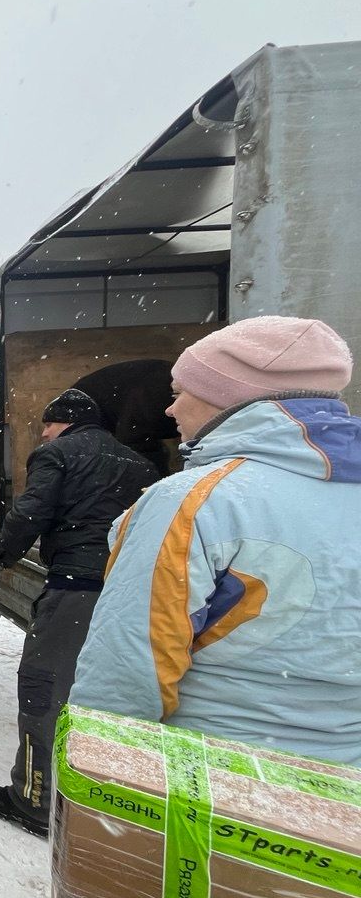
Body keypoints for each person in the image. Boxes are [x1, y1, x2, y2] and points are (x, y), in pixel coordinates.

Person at [71, 317, 361, 765]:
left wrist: (100, 783)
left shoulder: (196, 500)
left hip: (215, 781)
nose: (170, 411)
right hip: (341, 795)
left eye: (178, 394)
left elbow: (130, 668)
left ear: (223, 398)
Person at [0, 388, 158, 837]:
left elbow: (29, 513)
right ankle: (105, 792)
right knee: (103, 693)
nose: (43, 433)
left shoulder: (57, 454)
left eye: (48, 424)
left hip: (76, 587)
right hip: (129, 592)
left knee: (44, 686)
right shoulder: (142, 465)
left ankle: (34, 800)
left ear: (67, 423)